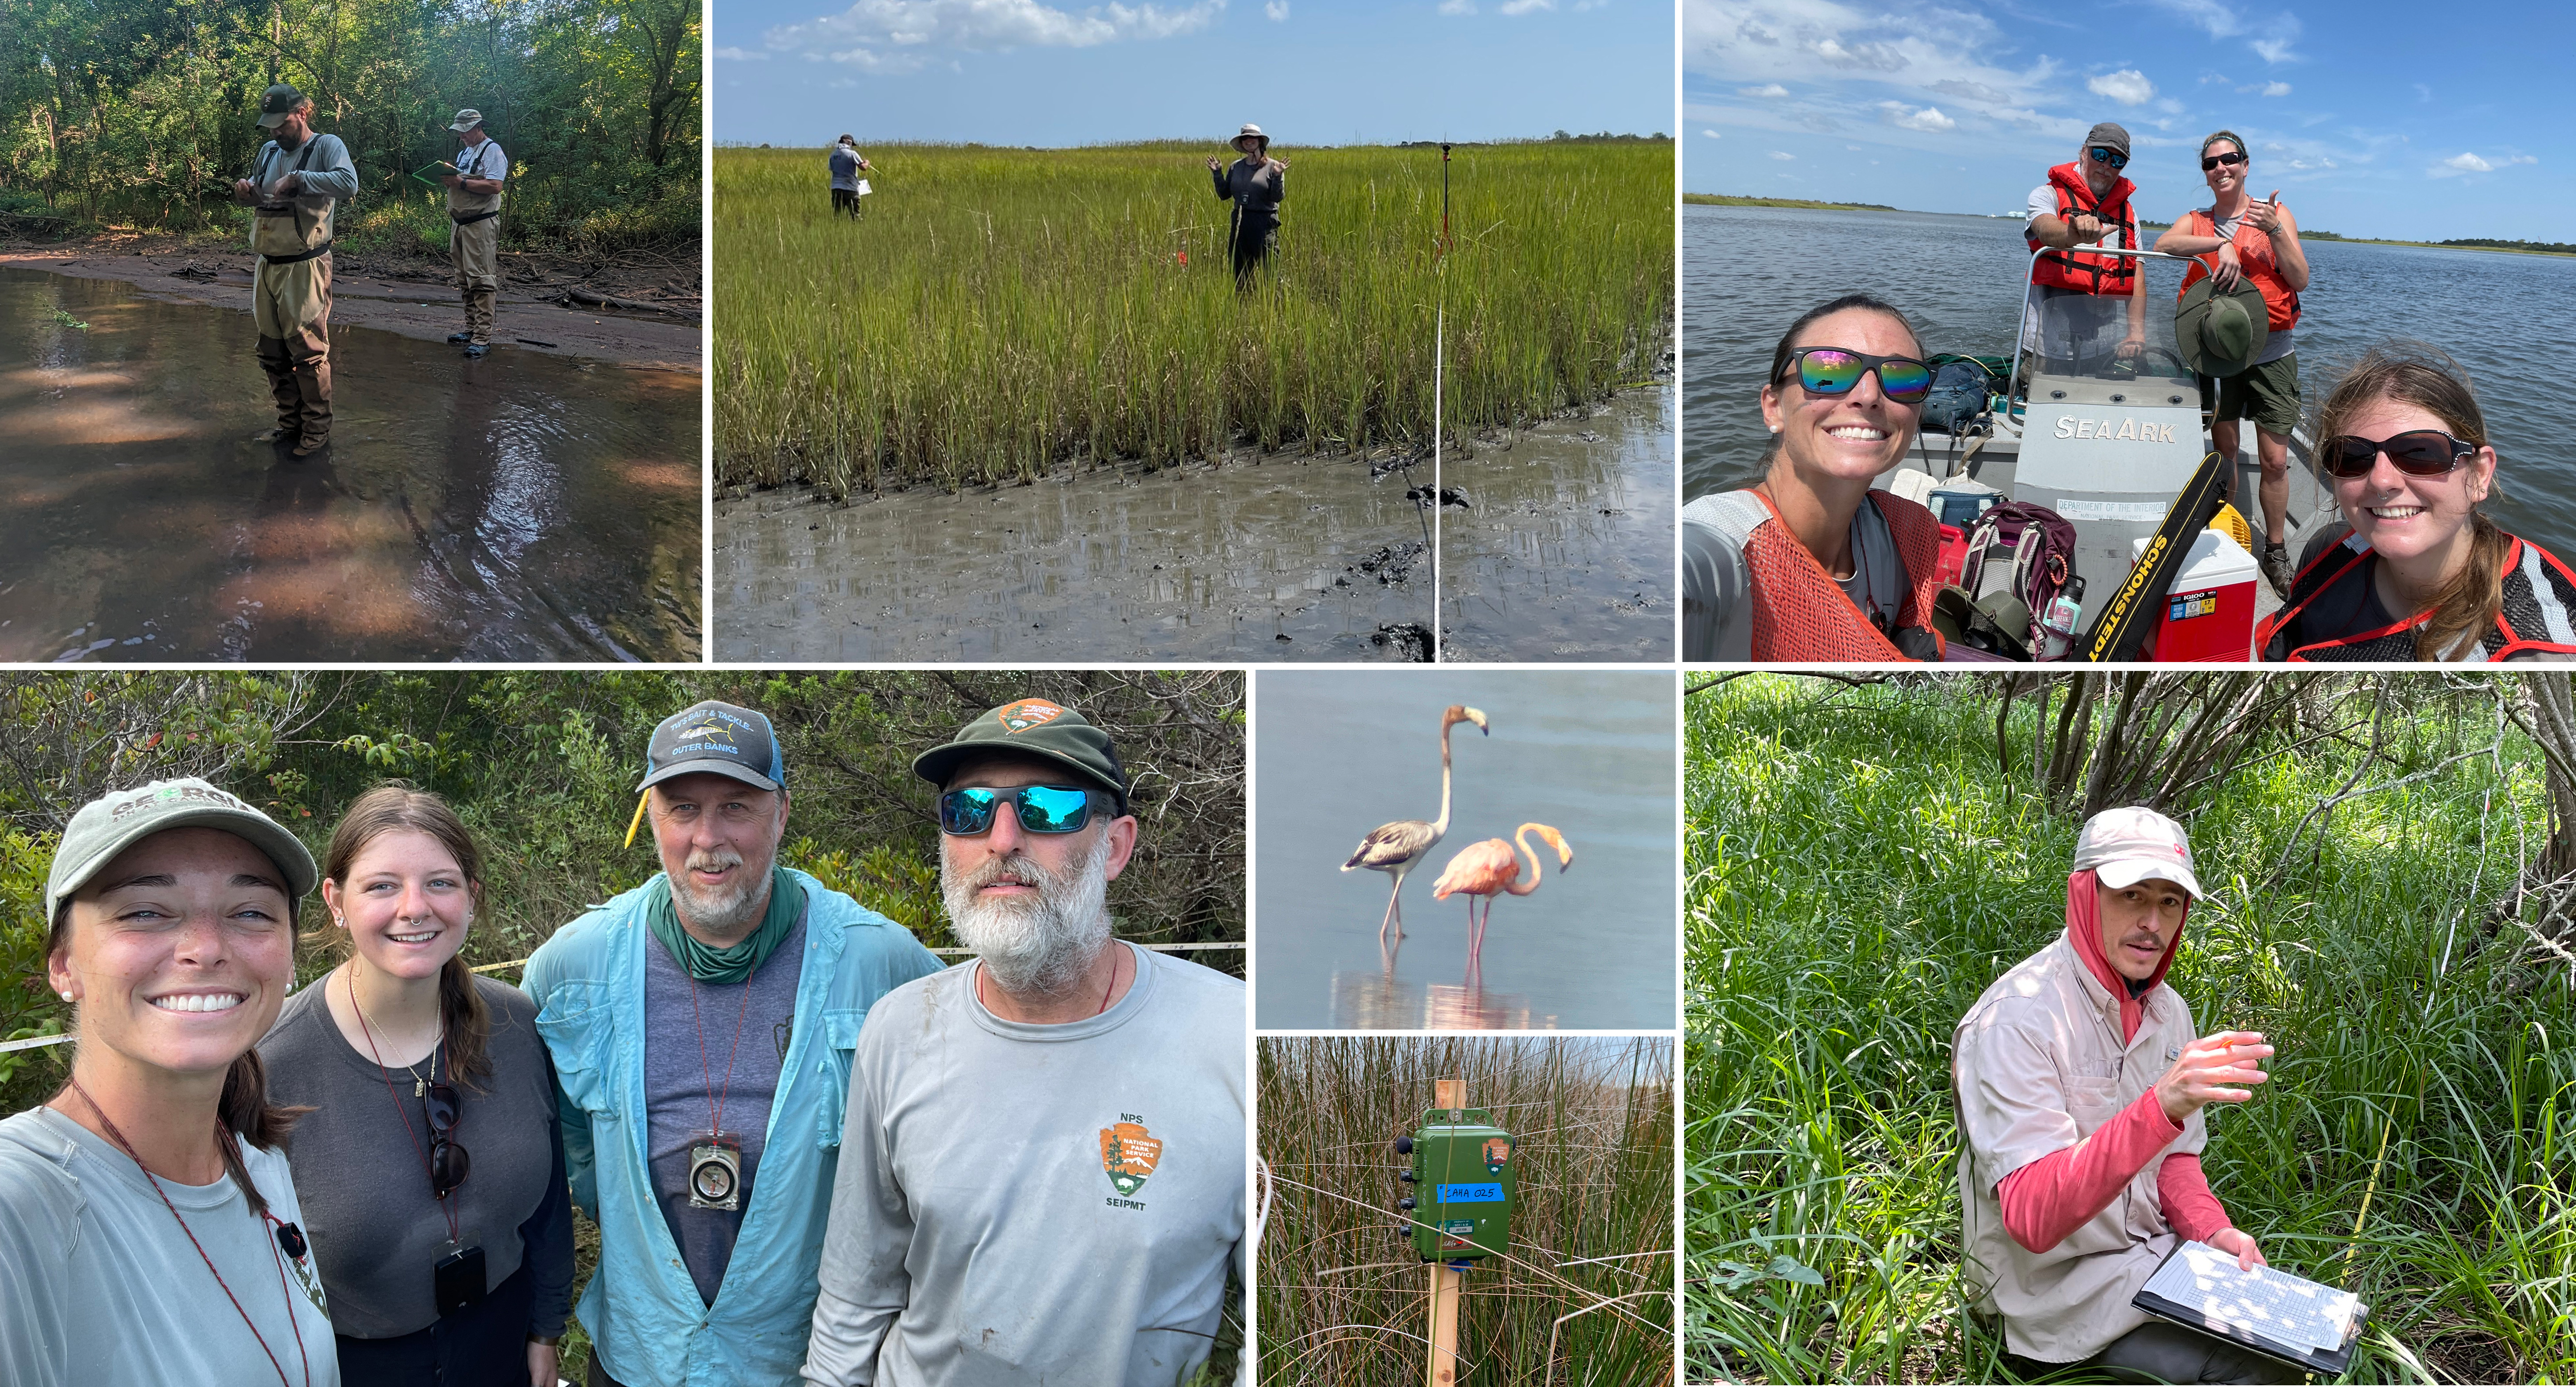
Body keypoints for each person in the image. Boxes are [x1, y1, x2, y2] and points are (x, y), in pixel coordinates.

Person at [803, 698, 1246, 1386]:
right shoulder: (897, 1029)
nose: (1002, 837)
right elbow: (856, 1300)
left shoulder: (1232, 1037)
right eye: (968, 809)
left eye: (1046, 808)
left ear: (1116, 845)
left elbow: (1281, 1326)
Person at [522, 700, 944, 1387]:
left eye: (737, 808)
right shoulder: (571, 965)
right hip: (639, 1352)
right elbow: (566, 1145)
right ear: (651, 819)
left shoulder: (884, 964)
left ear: (781, 812)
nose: (708, 838)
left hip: (808, 1359)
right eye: (683, 808)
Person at [0, 778, 340, 1385]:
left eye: (251, 912)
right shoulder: (24, 1210)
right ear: (63, 964)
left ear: (290, 959)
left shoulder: (262, 1168)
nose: (206, 947)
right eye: (144, 912)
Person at [1953, 806, 2285, 1384]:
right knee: (2250, 1374)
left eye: (2168, 902)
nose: (2151, 923)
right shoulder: (2016, 1021)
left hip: (2149, 1265)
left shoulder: (2168, 1011)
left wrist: (2212, 1231)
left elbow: (2175, 1162)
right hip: (2052, 1301)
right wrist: (2157, 1107)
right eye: (2131, 895)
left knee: (2298, 1343)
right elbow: (2031, 1216)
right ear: (2084, 894)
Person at [259, 784, 573, 1385]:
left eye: (441, 882)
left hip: (500, 1339)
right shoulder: (271, 1063)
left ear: (471, 897)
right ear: (336, 900)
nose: (414, 907)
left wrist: (544, 1327)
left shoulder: (515, 1024)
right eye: (382, 885)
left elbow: (548, 1205)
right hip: (356, 1362)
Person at [2260, 344, 2576, 661]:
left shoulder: (2535, 651)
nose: (2382, 481)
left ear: (2479, 474)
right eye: (2352, 457)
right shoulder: (2329, 551)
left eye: (2420, 454)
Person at [1681, 294, 1947, 661]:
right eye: (1829, 372)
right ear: (1773, 408)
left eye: (1902, 377)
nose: (1869, 396)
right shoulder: (1723, 551)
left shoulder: (1906, 536)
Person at [2155, 131, 2311, 596]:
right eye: (2210, 163)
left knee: (2275, 459)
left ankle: (2275, 550)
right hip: (2218, 356)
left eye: (2229, 159)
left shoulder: (2274, 214)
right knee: (2224, 451)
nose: (2220, 168)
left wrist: (2274, 231)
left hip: (2272, 352)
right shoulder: (2197, 221)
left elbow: (2300, 277)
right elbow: (2163, 244)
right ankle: (2227, 527)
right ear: (2204, 175)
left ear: (2245, 165)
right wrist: (2213, 246)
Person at [232, 84, 357, 457]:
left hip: (306, 266)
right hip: (267, 264)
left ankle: (316, 434)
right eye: (270, 126)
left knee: (308, 352)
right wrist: (247, 191)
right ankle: (289, 425)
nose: (275, 132)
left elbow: (349, 184)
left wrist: (302, 179)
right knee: (271, 351)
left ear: (302, 112)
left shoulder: (327, 146)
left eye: (282, 124)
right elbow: (261, 193)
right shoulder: (269, 151)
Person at [2022, 122, 2149, 376]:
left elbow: (2136, 275)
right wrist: (2070, 234)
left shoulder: (2129, 213)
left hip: (2103, 349)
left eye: (2118, 161)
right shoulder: (2047, 195)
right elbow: (2044, 227)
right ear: (2084, 152)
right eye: (2100, 155)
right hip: (2047, 347)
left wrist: (2136, 332)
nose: (2107, 165)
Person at [440, 109, 510, 359]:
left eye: (464, 132)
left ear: (478, 128)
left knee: (481, 280)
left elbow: (495, 186)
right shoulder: (465, 153)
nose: (461, 137)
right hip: (459, 224)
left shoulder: (493, 151)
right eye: (458, 133)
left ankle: (482, 338)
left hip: (481, 225)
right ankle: (470, 330)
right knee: (464, 279)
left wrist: (461, 183)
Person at [1207, 123, 1287, 288]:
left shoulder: (1273, 166)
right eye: (1245, 138)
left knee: (1270, 272)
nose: (1249, 141)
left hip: (1264, 223)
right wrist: (1217, 174)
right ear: (1242, 144)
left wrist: (1278, 177)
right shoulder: (1236, 167)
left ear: (1260, 141)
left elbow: (1276, 198)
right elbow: (1224, 195)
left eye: (1252, 138)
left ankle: (1273, 308)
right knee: (1239, 273)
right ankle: (1243, 306)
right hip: (1240, 223)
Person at [828, 136, 871, 220]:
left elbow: (832, 169)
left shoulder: (833, 155)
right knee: (855, 216)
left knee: (837, 215)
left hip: (836, 188)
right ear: (849, 143)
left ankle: (837, 230)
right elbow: (863, 168)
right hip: (850, 188)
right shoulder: (852, 154)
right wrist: (868, 163)